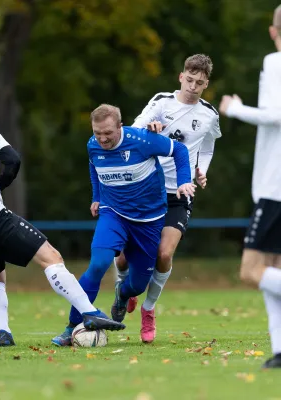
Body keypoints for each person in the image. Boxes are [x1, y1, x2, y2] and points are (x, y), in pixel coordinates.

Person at [0, 100, 126, 347]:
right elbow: (13, 160)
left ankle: (4, 333)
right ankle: (90, 312)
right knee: (51, 257)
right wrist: (0, 183)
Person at [51, 104, 196, 346]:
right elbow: (93, 166)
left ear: (121, 126)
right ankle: (71, 327)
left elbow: (179, 150)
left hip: (148, 221)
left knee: (137, 285)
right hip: (113, 214)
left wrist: (183, 182)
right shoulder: (92, 145)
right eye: (97, 133)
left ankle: (123, 293)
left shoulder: (142, 140)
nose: (102, 138)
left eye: (108, 132)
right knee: (97, 265)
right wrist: (97, 196)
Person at [114, 54, 222, 343]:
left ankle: (148, 310)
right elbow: (133, 131)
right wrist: (150, 132)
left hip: (179, 193)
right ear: (181, 76)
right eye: (190, 80)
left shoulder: (209, 114)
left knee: (163, 255)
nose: (194, 86)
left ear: (206, 83)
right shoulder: (161, 102)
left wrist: (202, 171)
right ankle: (123, 290)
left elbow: (208, 148)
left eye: (200, 83)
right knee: (123, 257)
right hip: (145, 188)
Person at [219, 5, 281, 369]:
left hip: (275, 186)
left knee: (251, 271)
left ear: (273, 32)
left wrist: (236, 109)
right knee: (274, 268)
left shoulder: (275, 60)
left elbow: (276, 114)